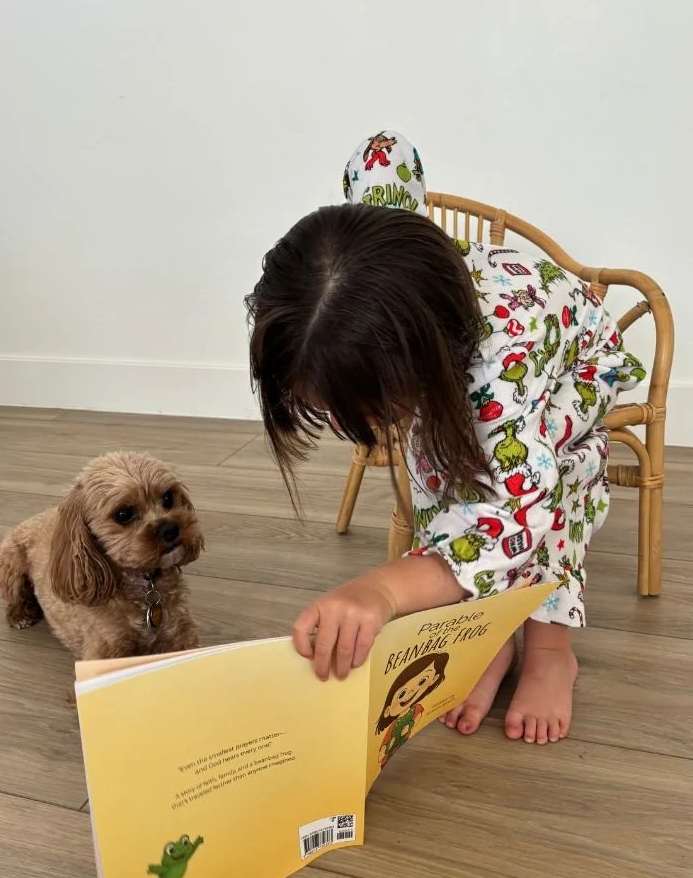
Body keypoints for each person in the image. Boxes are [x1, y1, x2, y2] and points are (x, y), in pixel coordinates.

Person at [244, 133, 645, 745]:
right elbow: (386, 151)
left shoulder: (496, 371)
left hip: (577, 359)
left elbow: (510, 515)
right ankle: (487, 634)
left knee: (549, 476)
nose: (356, 424)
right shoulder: (392, 266)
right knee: (446, 466)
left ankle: (547, 647)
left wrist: (383, 588)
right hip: (477, 348)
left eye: (368, 407)